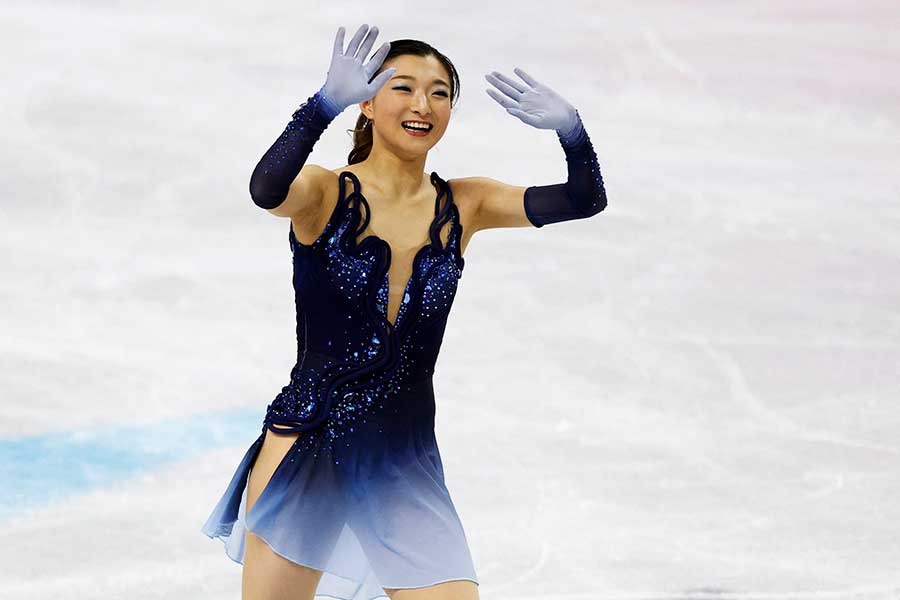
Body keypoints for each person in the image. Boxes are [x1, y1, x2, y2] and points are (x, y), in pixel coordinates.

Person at [201, 23, 606, 600]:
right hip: (309, 442)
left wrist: (573, 131)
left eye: (440, 92)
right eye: (403, 88)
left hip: (402, 457)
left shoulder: (467, 203)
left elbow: (583, 200)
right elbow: (267, 189)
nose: (423, 105)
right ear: (366, 102)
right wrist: (318, 108)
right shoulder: (323, 193)